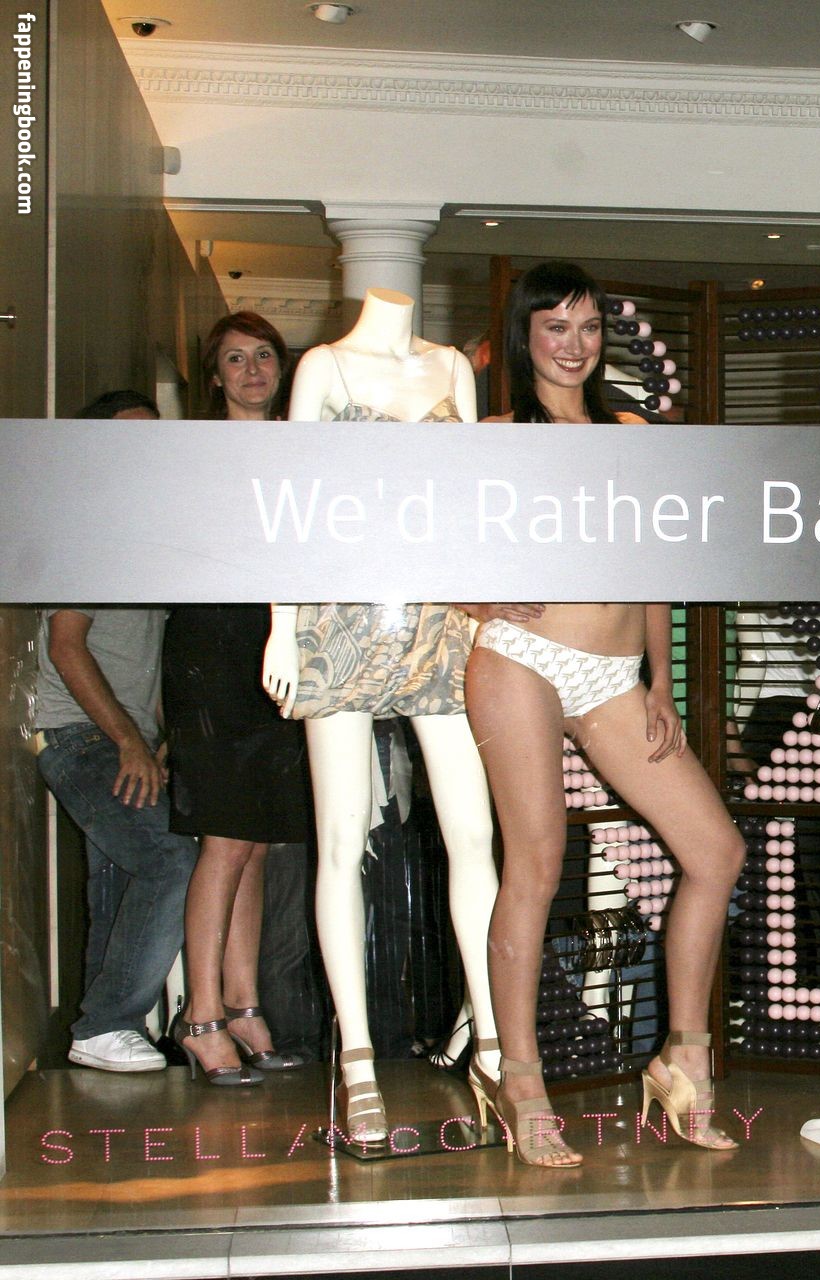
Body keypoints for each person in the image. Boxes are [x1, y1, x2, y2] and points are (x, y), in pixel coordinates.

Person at [466, 261, 745, 1167]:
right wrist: (473, 600)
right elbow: (408, 536)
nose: (574, 344)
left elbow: (653, 562)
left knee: (717, 852)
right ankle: (519, 1080)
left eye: (588, 327)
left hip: (615, 675)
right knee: (537, 865)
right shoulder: (495, 437)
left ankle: (684, 1057)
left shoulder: (631, 432)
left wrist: (662, 681)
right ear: (525, 336)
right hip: (523, 658)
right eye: (556, 326)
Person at [263, 286, 502, 1145]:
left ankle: (494, 1041)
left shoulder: (451, 369)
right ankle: (358, 1059)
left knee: (473, 834)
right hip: (342, 615)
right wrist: (282, 623)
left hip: (440, 619)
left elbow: (472, 503)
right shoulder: (323, 368)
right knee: (339, 840)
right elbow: (290, 502)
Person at [163, 314, 314, 1087]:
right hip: (211, 652)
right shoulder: (196, 450)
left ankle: (243, 1004)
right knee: (225, 839)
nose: (252, 370)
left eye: (263, 356)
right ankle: (200, 1017)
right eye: (234, 359)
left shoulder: (298, 444)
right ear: (214, 375)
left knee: (257, 840)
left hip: (275, 652)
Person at [37, 387, 196, 1071]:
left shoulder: (145, 540)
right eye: (132, 436)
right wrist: (129, 741)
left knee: (119, 881)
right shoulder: (88, 534)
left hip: (126, 741)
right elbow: (66, 645)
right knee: (171, 860)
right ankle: (107, 1022)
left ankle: (98, 1036)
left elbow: (148, 663)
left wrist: (163, 740)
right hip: (82, 738)